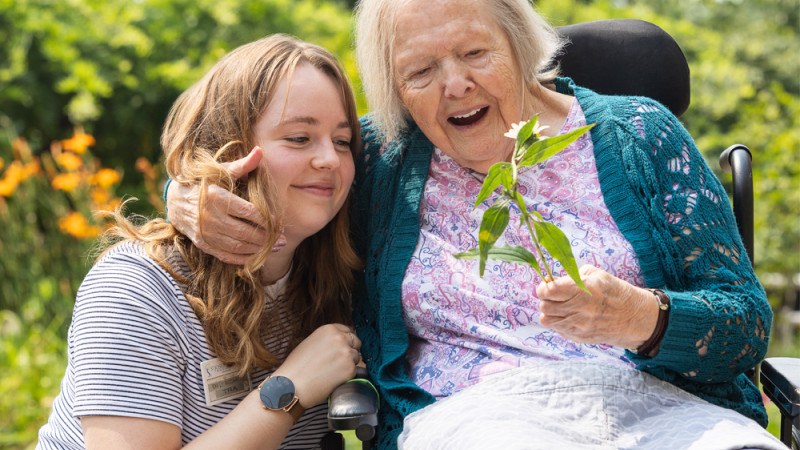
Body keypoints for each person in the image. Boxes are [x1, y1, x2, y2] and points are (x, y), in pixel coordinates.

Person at [164, 1, 782, 448]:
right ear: (396, 90)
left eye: (474, 53)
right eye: (420, 71)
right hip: (482, 420)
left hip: (672, 416)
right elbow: (280, 166)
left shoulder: (641, 134)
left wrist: (640, 318)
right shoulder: (382, 156)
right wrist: (183, 196)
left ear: (520, 43)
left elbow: (746, 324)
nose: (455, 84)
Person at [37, 34, 364, 449]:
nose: (330, 160)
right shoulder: (137, 291)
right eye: (299, 138)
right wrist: (289, 391)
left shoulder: (343, 270)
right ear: (226, 147)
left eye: (342, 141)